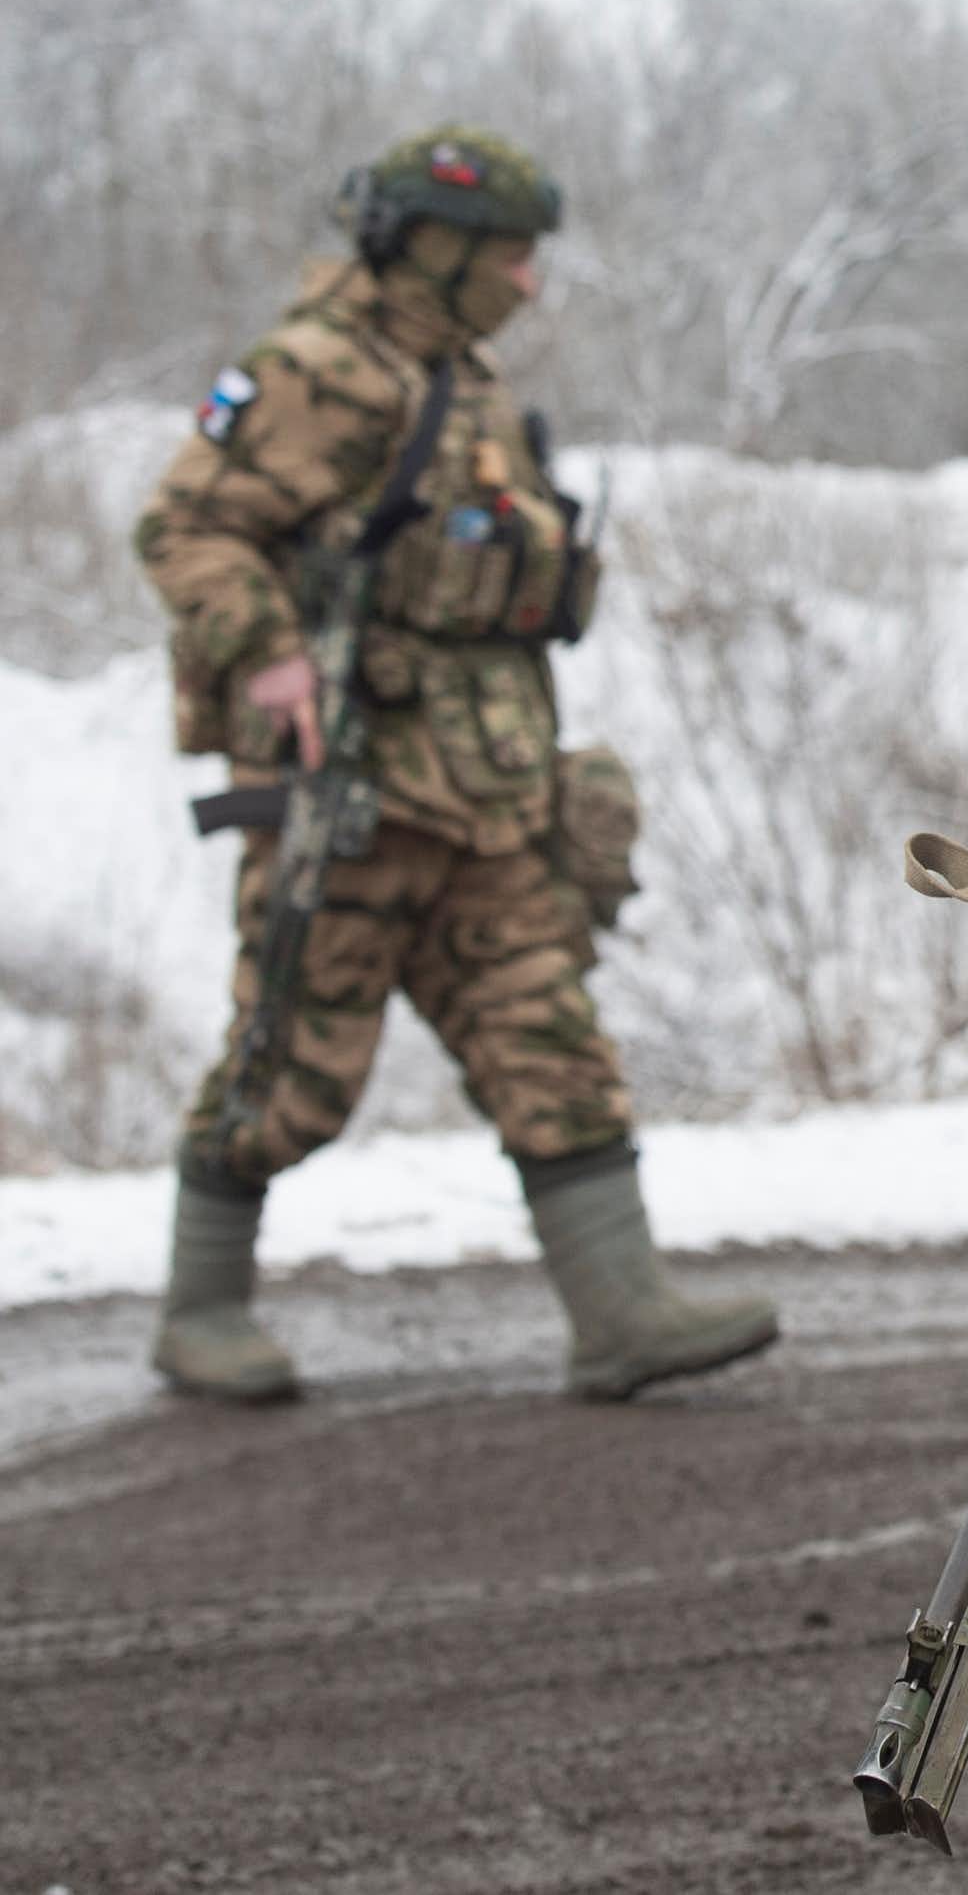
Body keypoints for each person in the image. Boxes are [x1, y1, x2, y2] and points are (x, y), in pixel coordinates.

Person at [135, 125, 777, 1404]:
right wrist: (267, 656)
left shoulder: (463, 381)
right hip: (357, 800)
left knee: (551, 1041)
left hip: (485, 800)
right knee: (290, 1069)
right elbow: (187, 523)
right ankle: (199, 1311)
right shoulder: (315, 370)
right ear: (434, 247)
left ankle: (621, 1313)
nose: (528, 282)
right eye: (509, 255)